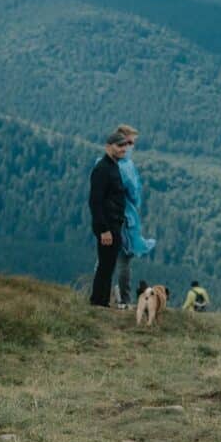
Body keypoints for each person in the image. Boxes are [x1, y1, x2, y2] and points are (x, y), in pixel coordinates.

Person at [115, 124, 156, 310]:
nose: (132, 146)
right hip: (125, 218)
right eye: (130, 142)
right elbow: (133, 192)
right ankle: (124, 299)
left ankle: (100, 294)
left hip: (117, 216)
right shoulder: (124, 166)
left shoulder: (107, 162)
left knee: (106, 257)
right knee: (124, 258)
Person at [89, 132, 131, 307]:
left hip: (115, 224)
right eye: (119, 145)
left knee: (108, 265)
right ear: (108, 146)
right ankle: (98, 302)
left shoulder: (114, 166)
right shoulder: (102, 169)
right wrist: (103, 229)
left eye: (125, 146)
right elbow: (95, 201)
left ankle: (102, 301)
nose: (123, 149)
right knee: (105, 266)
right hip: (108, 226)